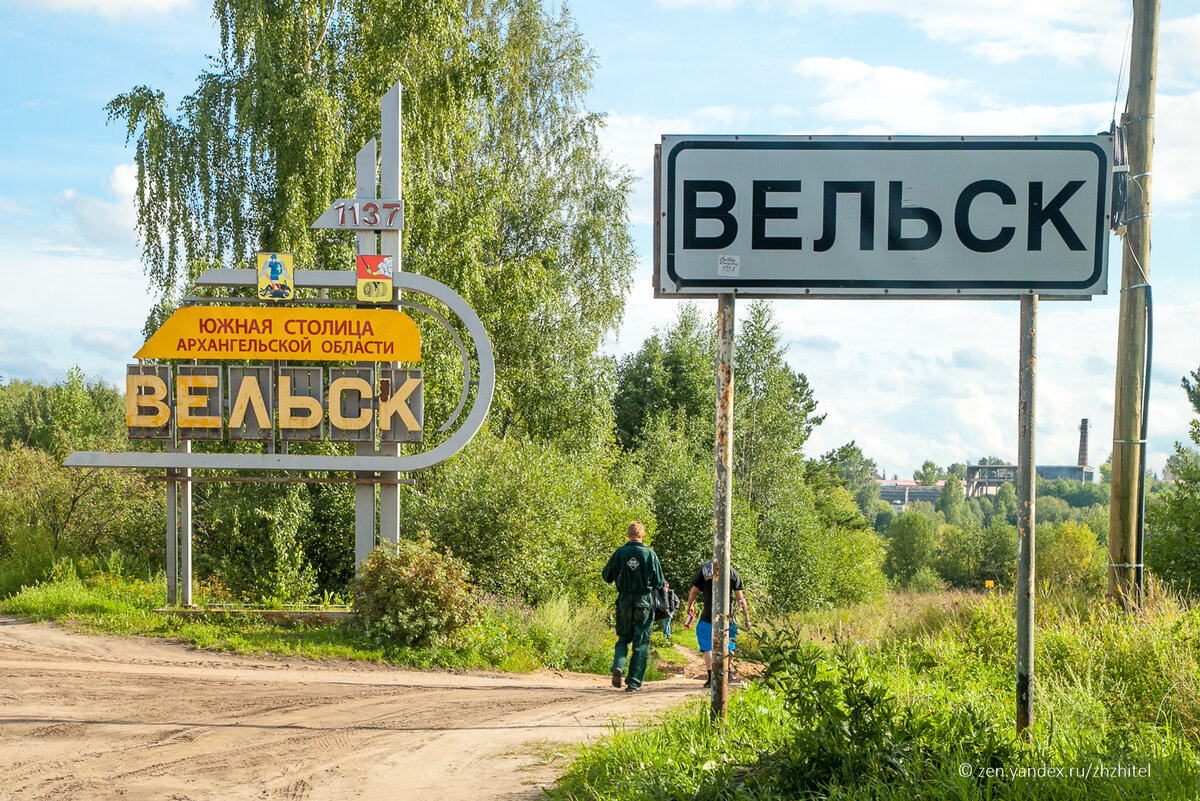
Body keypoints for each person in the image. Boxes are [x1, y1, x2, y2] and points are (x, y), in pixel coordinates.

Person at [601, 521, 664, 692]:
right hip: (643, 601)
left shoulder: (620, 553)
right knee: (641, 641)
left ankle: (618, 666)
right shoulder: (650, 554)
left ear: (628, 534)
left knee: (623, 638)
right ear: (642, 535)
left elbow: (606, 576)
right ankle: (634, 682)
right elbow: (659, 582)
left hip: (624, 600)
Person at [685, 559, 750, 688]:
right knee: (729, 645)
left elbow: (693, 591)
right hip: (728, 616)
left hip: (708, 616)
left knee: (708, 647)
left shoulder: (704, 571)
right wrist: (747, 618)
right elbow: (740, 598)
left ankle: (711, 677)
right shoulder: (732, 573)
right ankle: (727, 674)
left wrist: (690, 605)